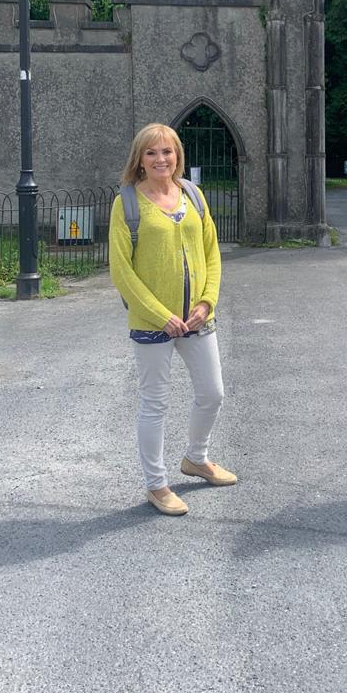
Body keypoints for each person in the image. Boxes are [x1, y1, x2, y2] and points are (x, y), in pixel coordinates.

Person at [109, 123, 237, 516]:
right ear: (139, 159)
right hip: (153, 323)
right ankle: (157, 485)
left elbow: (212, 253)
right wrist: (159, 315)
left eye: (167, 151)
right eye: (151, 152)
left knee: (212, 393)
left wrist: (207, 302)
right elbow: (122, 271)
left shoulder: (193, 195)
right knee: (155, 403)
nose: (161, 159)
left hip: (197, 319)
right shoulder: (127, 204)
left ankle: (196, 458)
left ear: (177, 155)